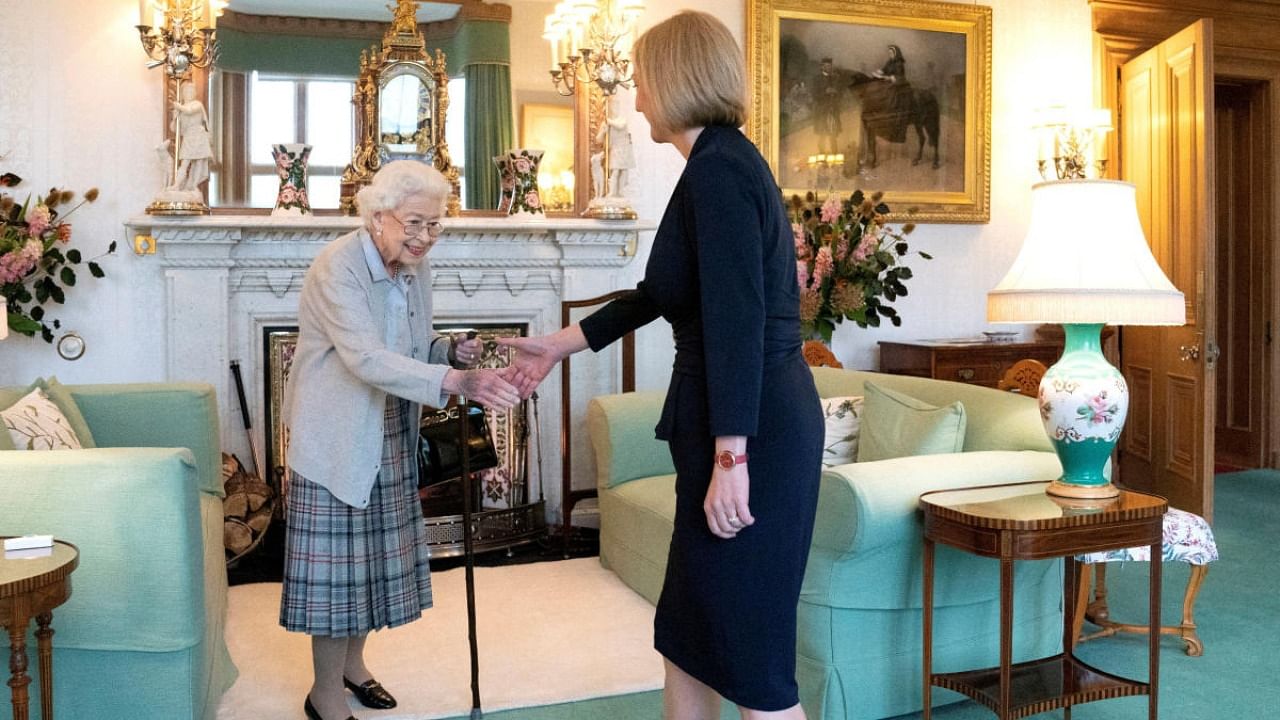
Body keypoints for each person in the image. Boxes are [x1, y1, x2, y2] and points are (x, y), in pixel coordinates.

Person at [500, 11, 822, 720]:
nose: (637, 96)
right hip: (732, 425)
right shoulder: (713, 165)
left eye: (642, 80)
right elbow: (662, 294)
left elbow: (736, 321)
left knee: (751, 659)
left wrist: (731, 458)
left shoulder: (720, 171)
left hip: (754, 435)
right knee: (688, 635)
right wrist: (560, 343)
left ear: (675, 79)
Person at [280, 160, 520, 720]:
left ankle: (353, 667)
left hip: (390, 428)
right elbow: (364, 357)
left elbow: (409, 343)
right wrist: (455, 381)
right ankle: (323, 694)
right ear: (378, 216)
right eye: (415, 224)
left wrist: (443, 352)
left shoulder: (413, 268)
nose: (425, 238)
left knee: (372, 565)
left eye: (435, 226)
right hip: (337, 435)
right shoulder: (337, 268)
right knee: (338, 577)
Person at [171, 83, 213, 192]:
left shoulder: (197, 104)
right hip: (188, 137)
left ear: (194, 93)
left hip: (199, 136)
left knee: (199, 161)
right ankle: (177, 185)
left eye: (190, 92)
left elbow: (190, 111)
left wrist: (179, 106)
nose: (188, 94)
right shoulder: (181, 109)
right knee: (184, 163)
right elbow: (174, 130)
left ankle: (193, 185)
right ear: (183, 94)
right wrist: (174, 118)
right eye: (186, 92)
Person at [597, 93, 636, 198]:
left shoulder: (621, 119)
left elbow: (620, 125)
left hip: (624, 147)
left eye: (616, 105)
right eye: (612, 105)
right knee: (615, 171)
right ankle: (613, 192)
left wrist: (609, 122)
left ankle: (620, 191)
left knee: (623, 170)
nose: (614, 108)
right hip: (615, 148)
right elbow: (599, 140)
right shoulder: (606, 123)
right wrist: (603, 132)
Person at [813, 56, 844, 155]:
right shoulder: (817, 79)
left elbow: (841, 93)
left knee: (833, 133)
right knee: (822, 133)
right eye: (826, 66)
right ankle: (822, 154)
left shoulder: (836, 78)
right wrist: (825, 92)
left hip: (833, 109)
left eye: (830, 66)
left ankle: (834, 153)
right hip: (822, 110)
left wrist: (836, 92)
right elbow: (814, 95)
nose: (828, 68)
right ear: (822, 67)